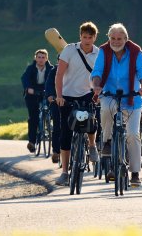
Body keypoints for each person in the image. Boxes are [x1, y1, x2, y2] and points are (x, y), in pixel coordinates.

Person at [91, 23, 142, 186]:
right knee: (106, 109)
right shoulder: (104, 51)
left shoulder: (136, 52)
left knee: (132, 134)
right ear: (109, 38)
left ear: (126, 39)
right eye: (113, 38)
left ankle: (135, 173)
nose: (116, 42)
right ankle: (108, 141)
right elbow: (97, 71)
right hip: (110, 93)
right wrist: (97, 86)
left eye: (119, 39)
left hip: (132, 97)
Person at [54, 21, 100, 186]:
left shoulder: (98, 54)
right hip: (67, 95)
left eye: (90, 37)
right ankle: (65, 172)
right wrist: (59, 96)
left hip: (88, 94)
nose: (87, 40)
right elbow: (59, 75)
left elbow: (102, 75)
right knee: (65, 133)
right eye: (84, 36)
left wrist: (98, 92)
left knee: (92, 122)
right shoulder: (69, 50)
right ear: (80, 36)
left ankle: (93, 145)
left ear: (95, 37)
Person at [21, 49, 53, 153]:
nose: (41, 59)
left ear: (46, 58)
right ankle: (32, 142)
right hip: (32, 94)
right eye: (39, 57)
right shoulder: (31, 68)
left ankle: (49, 127)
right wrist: (28, 88)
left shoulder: (51, 69)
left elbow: (54, 80)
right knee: (33, 118)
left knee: (53, 112)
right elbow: (24, 78)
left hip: (46, 93)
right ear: (35, 58)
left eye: (43, 57)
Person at [45, 54, 61, 163]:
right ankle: (56, 151)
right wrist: (50, 95)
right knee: (57, 126)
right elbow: (49, 85)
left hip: (72, 100)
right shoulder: (54, 71)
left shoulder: (76, 71)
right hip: (57, 102)